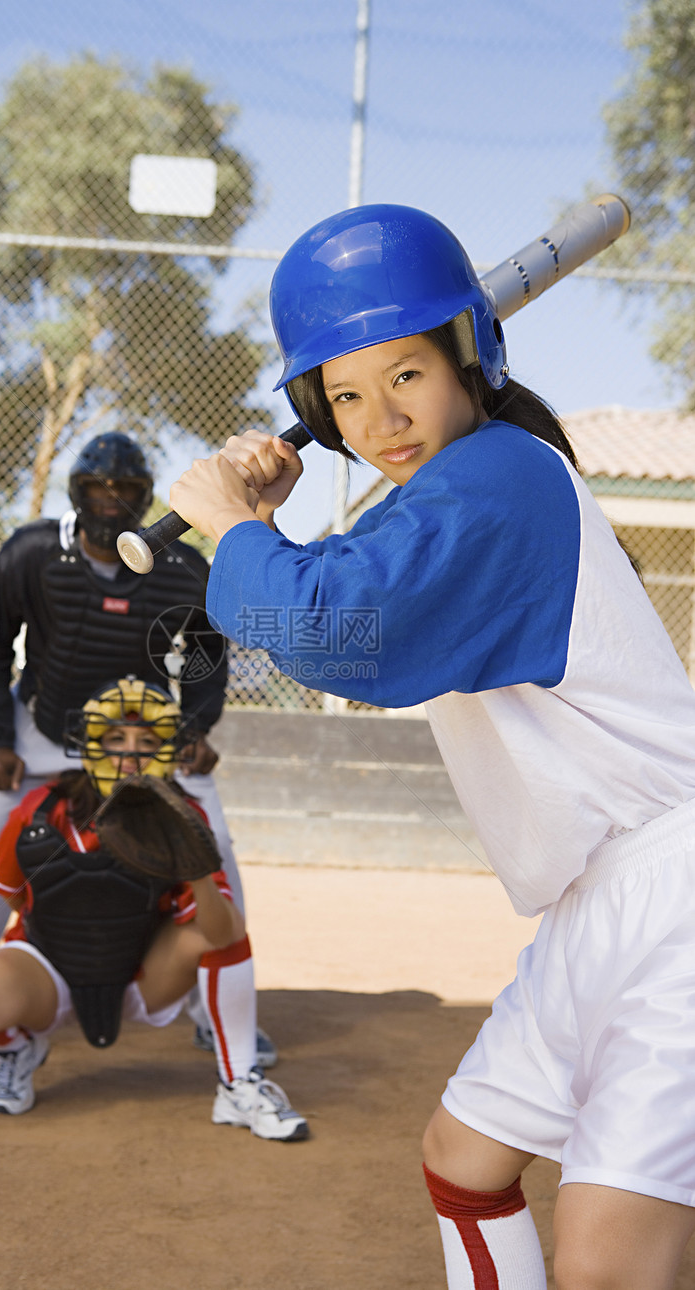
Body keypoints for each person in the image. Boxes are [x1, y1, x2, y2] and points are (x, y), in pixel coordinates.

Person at [167, 203, 695, 1288]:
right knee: (464, 1163)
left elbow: (321, 626)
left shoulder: (500, 474)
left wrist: (233, 527)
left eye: (405, 375)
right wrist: (267, 523)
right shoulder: (450, 494)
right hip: (598, 900)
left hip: (676, 890)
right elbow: (318, 614)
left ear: (468, 355)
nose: (377, 418)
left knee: (608, 1268)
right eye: (344, 395)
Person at [0, 430, 275, 1071]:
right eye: (97, 486)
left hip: (140, 742)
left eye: (125, 489)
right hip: (43, 729)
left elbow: (207, 658)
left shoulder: (178, 564)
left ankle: (221, 1015)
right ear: (77, 491)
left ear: (146, 498)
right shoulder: (33, 552)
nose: (110, 498)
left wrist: (196, 731)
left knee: (214, 849)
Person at [0, 676, 307, 1141]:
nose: (130, 752)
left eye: (147, 741)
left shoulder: (187, 816)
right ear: (91, 745)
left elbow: (223, 932)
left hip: (143, 975)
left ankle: (239, 1084)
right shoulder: (39, 810)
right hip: (49, 971)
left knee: (224, 932)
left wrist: (196, 869)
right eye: (115, 738)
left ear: (169, 749)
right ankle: (19, 1051)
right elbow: (11, 893)